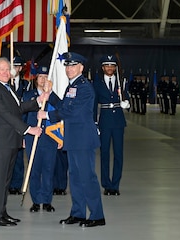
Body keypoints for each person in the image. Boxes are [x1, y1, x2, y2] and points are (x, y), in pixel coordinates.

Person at [38, 52, 105, 228]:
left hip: (83, 139)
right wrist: (50, 94)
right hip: (73, 138)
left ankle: (97, 215)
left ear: (81, 68)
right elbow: (64, 105)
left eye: (73, 66)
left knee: (87, 177)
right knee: (75, 177)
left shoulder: (84, 87)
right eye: (67, 66)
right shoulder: (72, 86)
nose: (69, 69)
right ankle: (78, 213)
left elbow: (72, 112)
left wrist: (47, 115)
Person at [0, 57, 46, 227]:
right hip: (2, 140)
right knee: (0, 179)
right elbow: (6, 114)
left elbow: (17, 107)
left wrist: (37, 102)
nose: (6, 72)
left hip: (11, 139)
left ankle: (2, 212)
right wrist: (28, 129)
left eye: (7, 69)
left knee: (6, 179)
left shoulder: (7, 87)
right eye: (2, 70)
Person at [93, 54, 130, 196]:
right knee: (105, 154)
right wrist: (95, 123)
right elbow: (94, 104)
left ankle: (115, 184)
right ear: (103, 67)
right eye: (107, 65)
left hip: (119, 122)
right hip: (105, 121)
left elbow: (126, 97)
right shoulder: (97, 83)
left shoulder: (122, 81)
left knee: (119, 154)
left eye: (112, 66)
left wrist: (127, 104)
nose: (110, 68)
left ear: (115, 68)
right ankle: (107, 185)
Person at [23, 66, 58, 213]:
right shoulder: (28, 96)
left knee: (49, 169)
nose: (43, 80)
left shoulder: (55, 97)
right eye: (41, 77)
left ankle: (47, 200)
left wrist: (60, 138)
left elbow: (61, 116)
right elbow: (22, 117)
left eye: (46, 77)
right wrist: (22, 137)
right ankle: (36, 200)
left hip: (50, 137)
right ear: (35, 79)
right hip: (32, 136)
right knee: (34, 169)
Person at [8, 56, 31, 195]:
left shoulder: (27, 85)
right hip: (8, 125)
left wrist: (27, 128)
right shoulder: (4, 84)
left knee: (19, 158)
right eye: (11, 66)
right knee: (7, 157)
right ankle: (8, 184)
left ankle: (16, 185)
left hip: (21, 125)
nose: (14, 69)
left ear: (21, 68)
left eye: (16, 66)